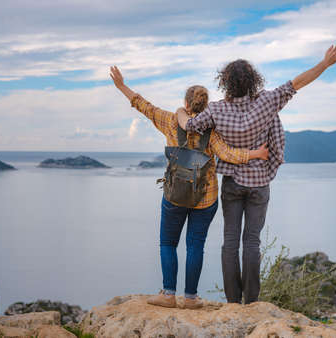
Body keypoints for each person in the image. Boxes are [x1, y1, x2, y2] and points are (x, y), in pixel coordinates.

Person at [177, 43, 336, 304]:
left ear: (226, 83)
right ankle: (252, 302)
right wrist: (324, 64)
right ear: (253, 81)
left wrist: (179, 112)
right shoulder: (267, 101)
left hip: (232, 183)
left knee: (230, 241)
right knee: (252, 242)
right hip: (259, 184)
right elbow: (297, 83)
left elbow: (191, 126)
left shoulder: (217, 110)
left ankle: (233, 301)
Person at [110, 66, 270, 309]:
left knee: (168, 243)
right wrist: (256, 153)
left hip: (175, 195)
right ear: (206, 106)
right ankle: (191, 298)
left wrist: (121, 85)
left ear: (186, 103)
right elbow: (229, 154)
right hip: (205, 199)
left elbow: (143, 105)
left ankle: (168, 294)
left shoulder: (172, 120)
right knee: (195, 245)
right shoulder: (212, 129)